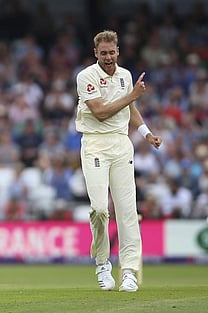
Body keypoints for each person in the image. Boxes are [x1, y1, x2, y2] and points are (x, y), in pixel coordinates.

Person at [75, 30, 162, 292]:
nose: (109, 57)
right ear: (96, 53)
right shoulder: (86, 76)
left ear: (118, 51)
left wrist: (146, 133)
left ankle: (129, 271)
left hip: (121, 144)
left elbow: (130, 110)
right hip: (95, 144)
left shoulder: (125, 76)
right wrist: (132, 95)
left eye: (112, 52)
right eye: (104, 53)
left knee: (127, 212)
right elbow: (100, 113)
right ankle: (103, 263)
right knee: (100, 209)